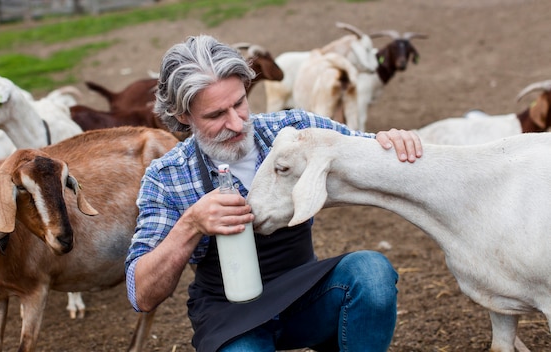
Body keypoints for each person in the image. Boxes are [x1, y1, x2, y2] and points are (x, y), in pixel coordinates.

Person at [125, 34, 422, 352]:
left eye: (239, 103)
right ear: (183, 116)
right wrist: (190, 224)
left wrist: (391, 141)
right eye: (215, 115)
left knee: (372, 274)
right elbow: (142, 294)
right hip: (230, 314)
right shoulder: (167, 177)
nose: (237, 124)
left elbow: (365, 147)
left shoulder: (295, 130)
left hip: (305, 291)